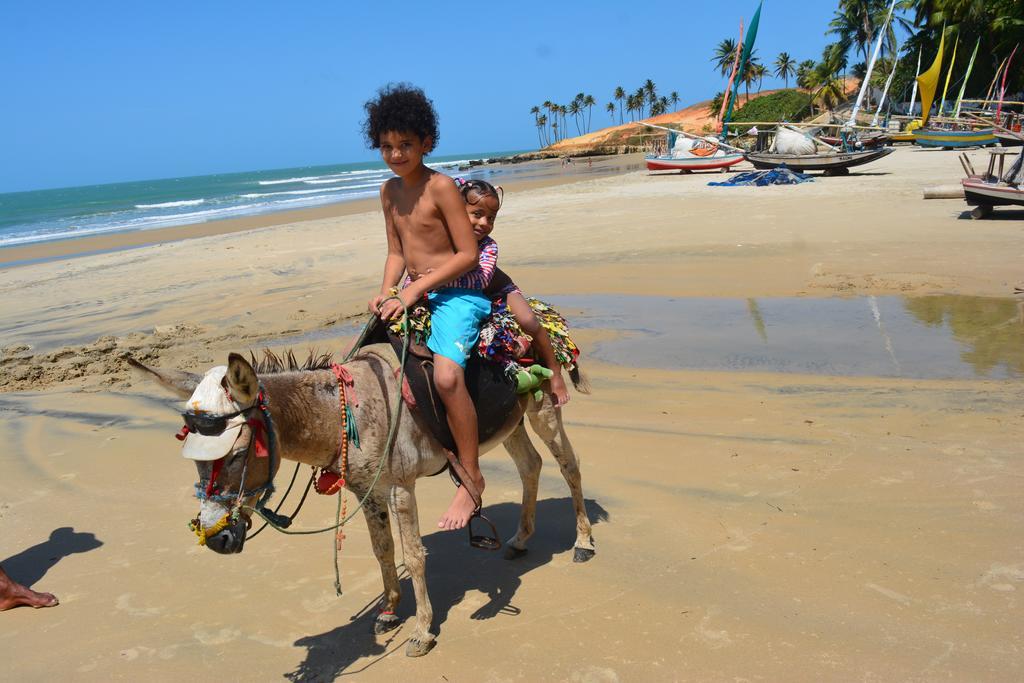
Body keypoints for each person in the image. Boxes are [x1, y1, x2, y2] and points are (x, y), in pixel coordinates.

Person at [362, 83, 488, 531]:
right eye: (387, 146)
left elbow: (467, 255)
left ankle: (471, 476)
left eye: (406, 145)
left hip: (456, 291)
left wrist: (413, 292)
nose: (396, 154)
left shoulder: (442, 188)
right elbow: (397, 251)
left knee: (447, 375)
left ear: (427, 143)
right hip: (412, 290)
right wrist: (386, 290)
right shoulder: (388, 192)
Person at [454, 178, 571, 406]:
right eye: (476, 214)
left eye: (491, 218)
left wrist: (439, 279)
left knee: (528, 321)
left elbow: (483, 279)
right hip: (465, 295)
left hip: (499, 290)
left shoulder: (488, 246)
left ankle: (554, 371)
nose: (484, 223)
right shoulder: (444, 240)